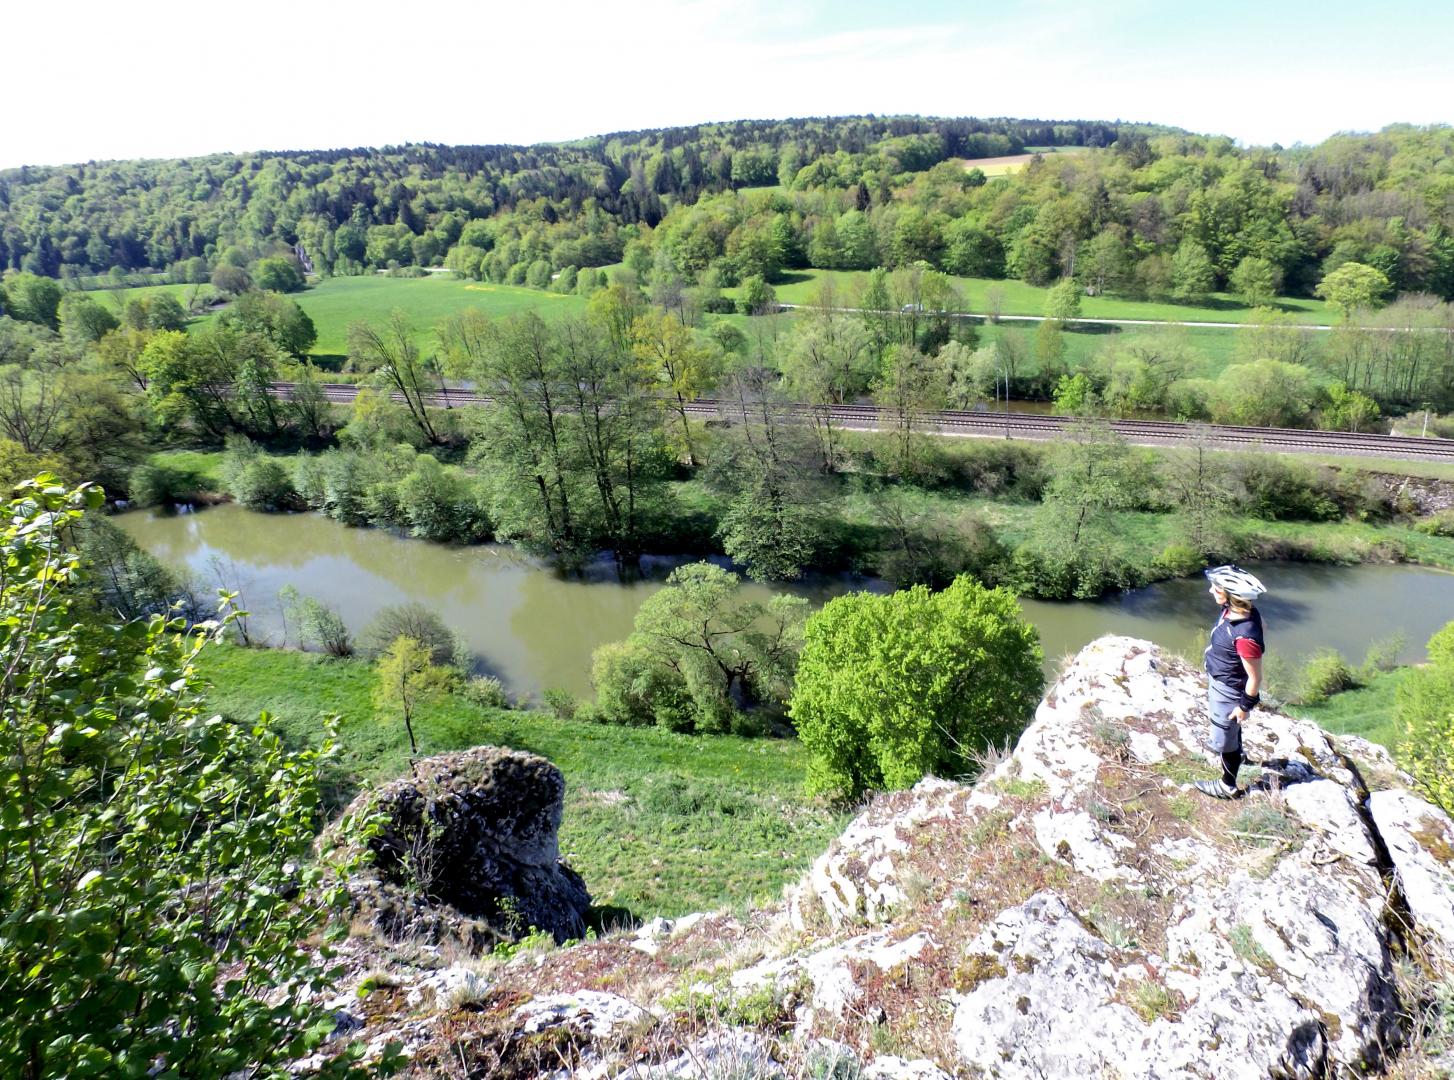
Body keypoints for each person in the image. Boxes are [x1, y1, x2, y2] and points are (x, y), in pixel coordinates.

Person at [1196, 565, 1267, 799]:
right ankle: (1238, 753)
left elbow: (1255, 677)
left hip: (1228, 690)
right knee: (1231, 731)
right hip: (1222, 681)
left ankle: (1227, 785)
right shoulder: (1238, 612)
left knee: (1225, 741)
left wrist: (1244, 706)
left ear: (1231, 595)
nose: (1210, 591)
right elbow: (1263, 625)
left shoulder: (1244, 636)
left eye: (1216, 589)